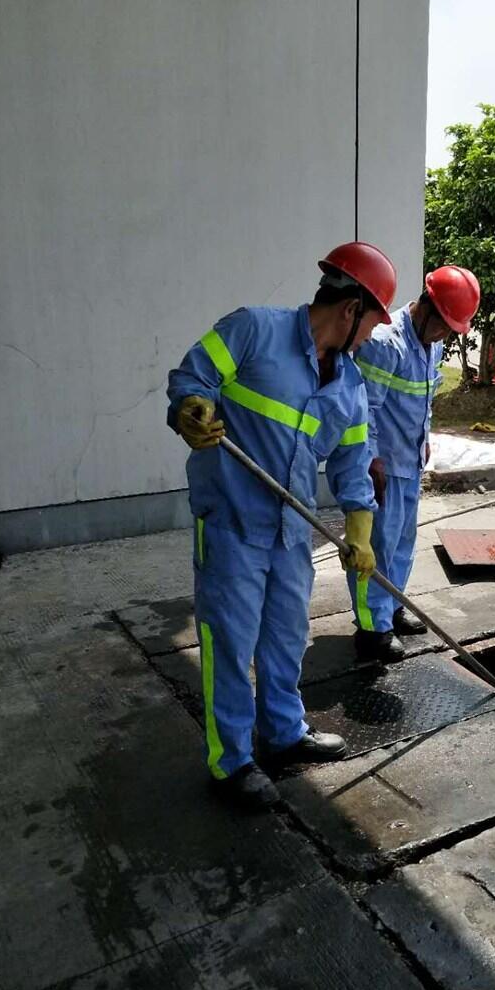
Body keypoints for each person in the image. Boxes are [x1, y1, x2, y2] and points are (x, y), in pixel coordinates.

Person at [167, 241, 396, 811]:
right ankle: (232, 762)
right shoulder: (252, 331)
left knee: (287, 638)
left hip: (292, 533)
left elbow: (351, 465)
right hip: (232, 525)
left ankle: (285, 731)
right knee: (229, 641)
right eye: (371, 324)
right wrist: (190, 410)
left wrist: (361, 532)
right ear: (350, 311)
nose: (369, 337)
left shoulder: (349, 387)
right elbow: (190, 378)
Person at [348, 265, 481, 663]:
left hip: (409, 462)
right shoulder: (385, 344)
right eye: (443, 325)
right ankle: (372, 629)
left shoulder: (432, 345)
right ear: (426, 307)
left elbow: (424, 398)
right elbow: (364, 409)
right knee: (378, 547)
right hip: (382, 468)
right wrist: (370, 459)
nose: (444, 335)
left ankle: (393, 605)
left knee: (403, 544)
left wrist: (425, 438)